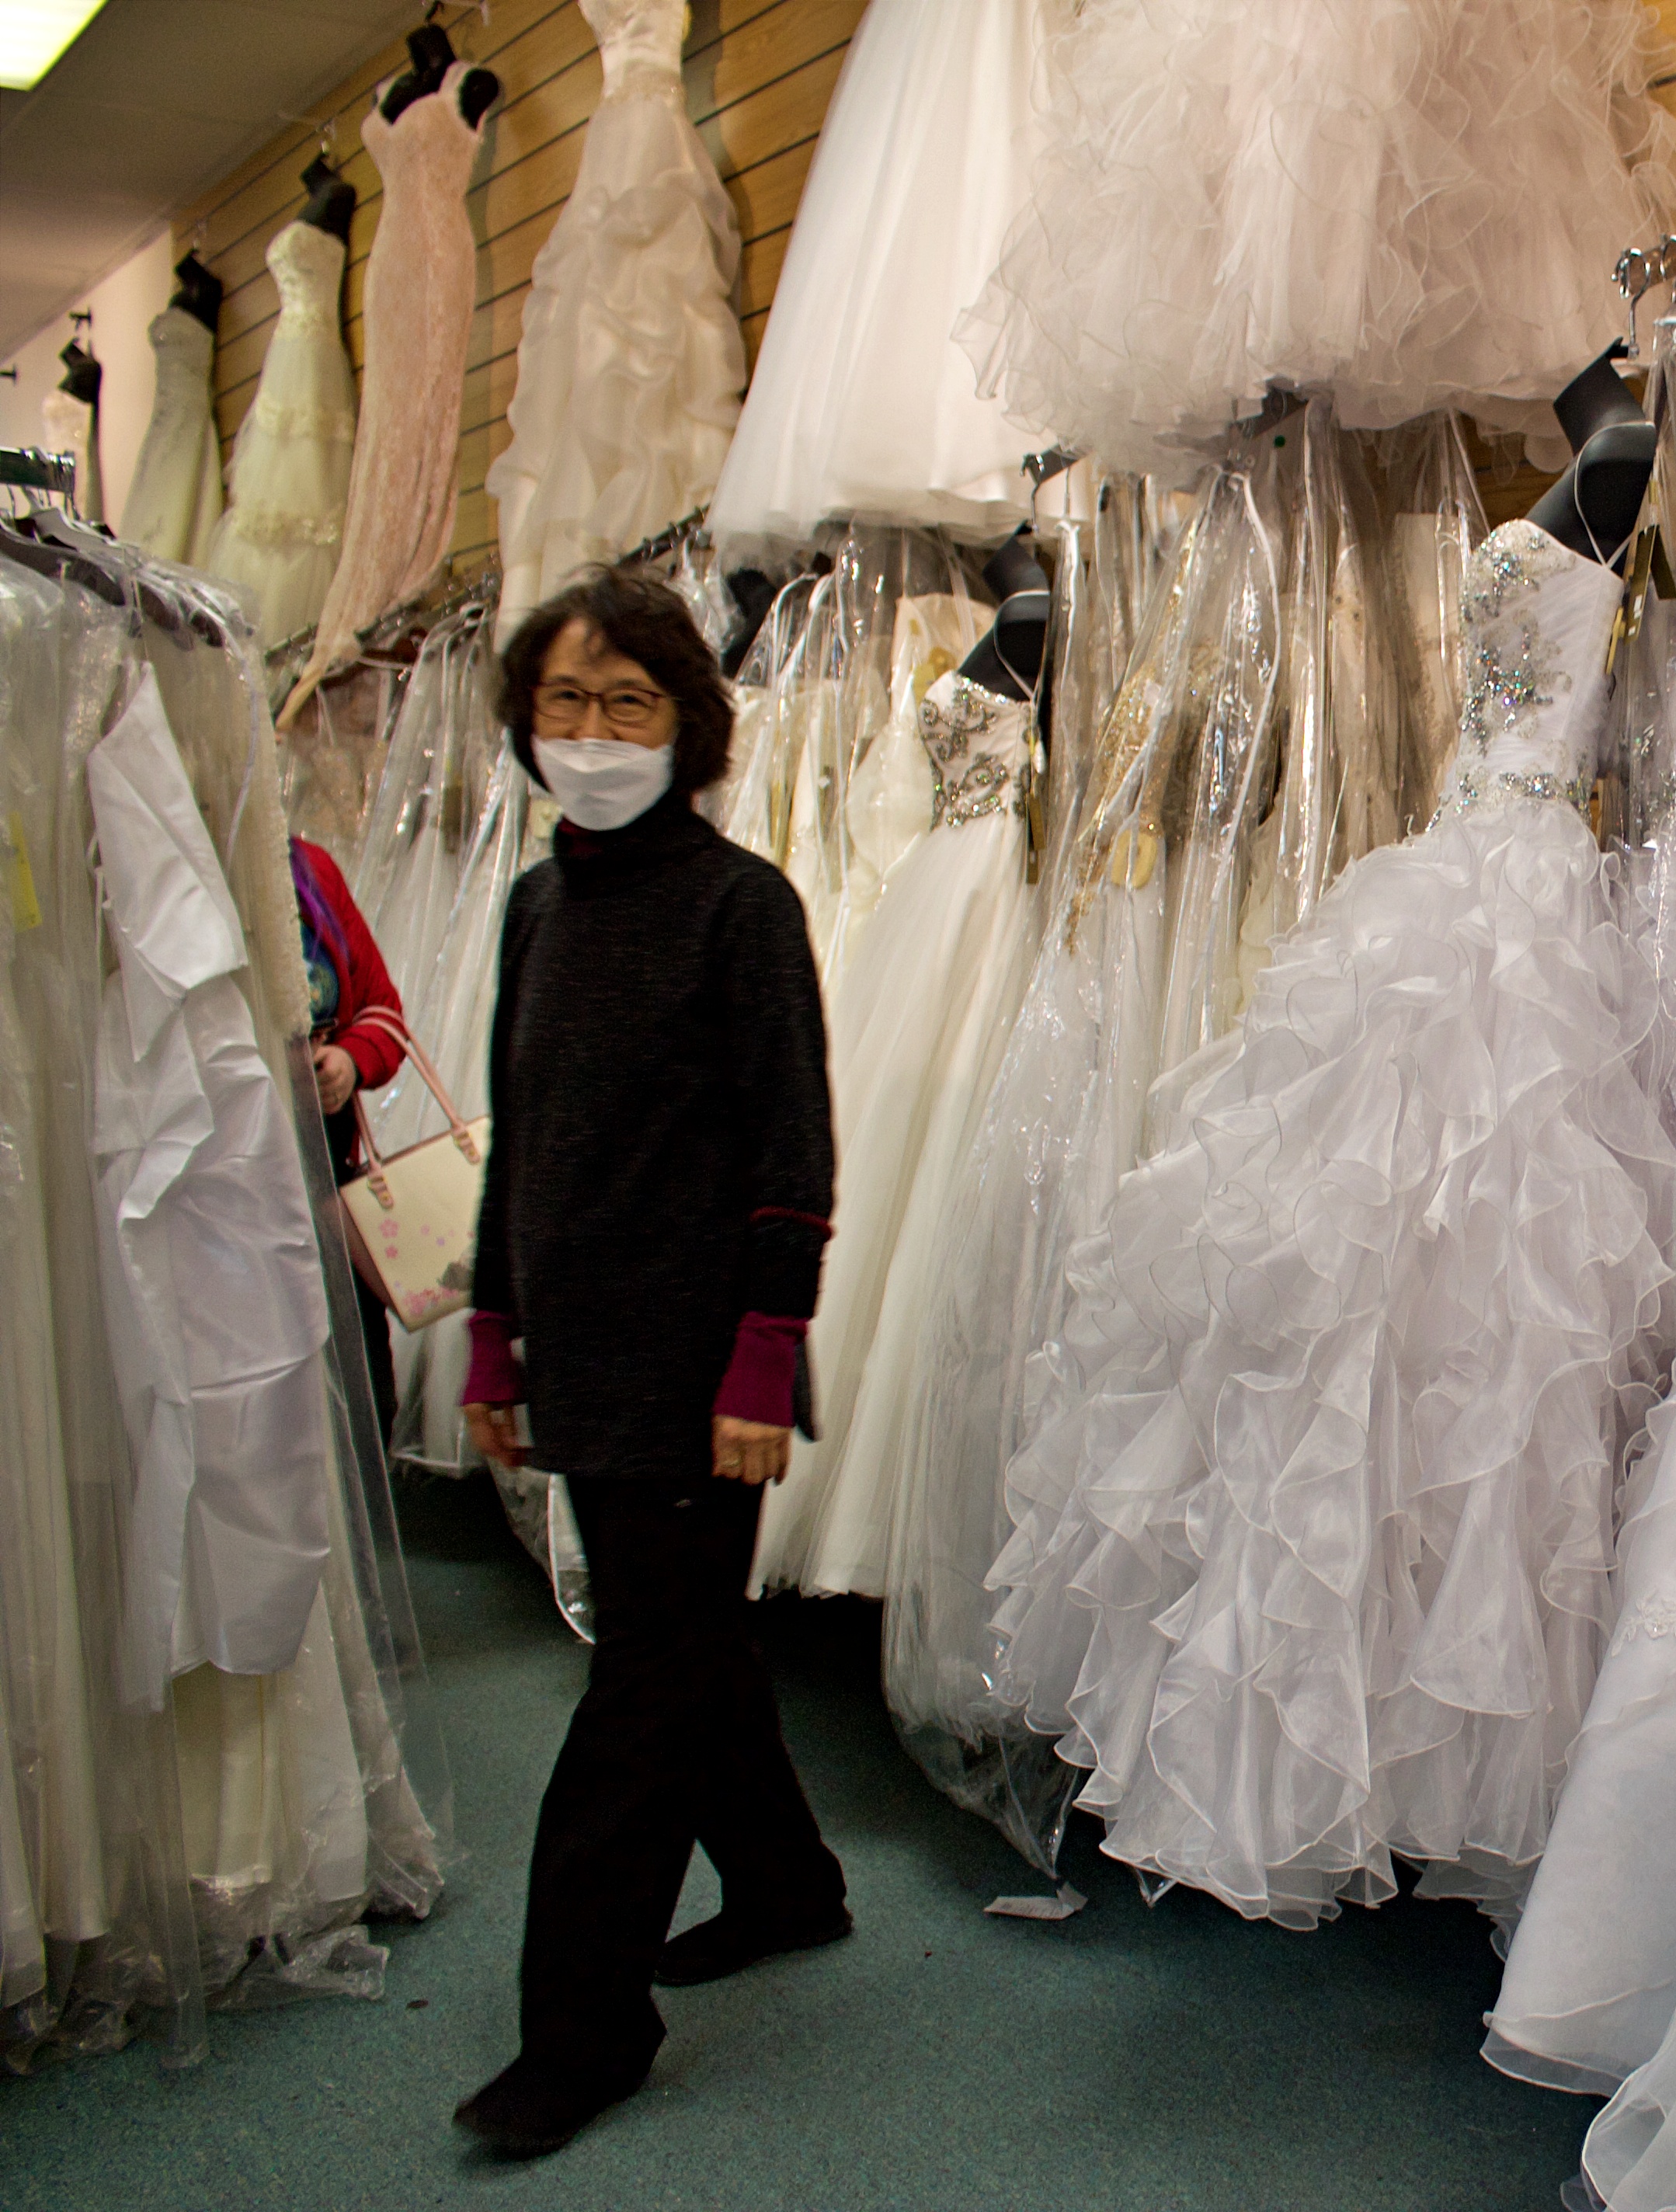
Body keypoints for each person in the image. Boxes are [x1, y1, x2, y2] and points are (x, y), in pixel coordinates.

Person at [452, 568, 848, 2157]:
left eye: (628, 702)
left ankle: (583, 2030)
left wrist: (763, 1359)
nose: (594, 730)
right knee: (685, 1647)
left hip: (700, 1373)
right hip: (582, 1355)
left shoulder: (742, 905)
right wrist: (493, 1330)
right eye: (566, 699)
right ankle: (788, 1883)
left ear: (687, 722)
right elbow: (521, 1139)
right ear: (525, 720)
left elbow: (793, 1154)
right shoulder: (535, 904)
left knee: (635, 1698)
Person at [291, 833, 409, 1440]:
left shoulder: (307, 870)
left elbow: (382, 1011)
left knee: (360, 1403)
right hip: (223, 1200)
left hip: (325, 1182)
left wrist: (349, 1060)